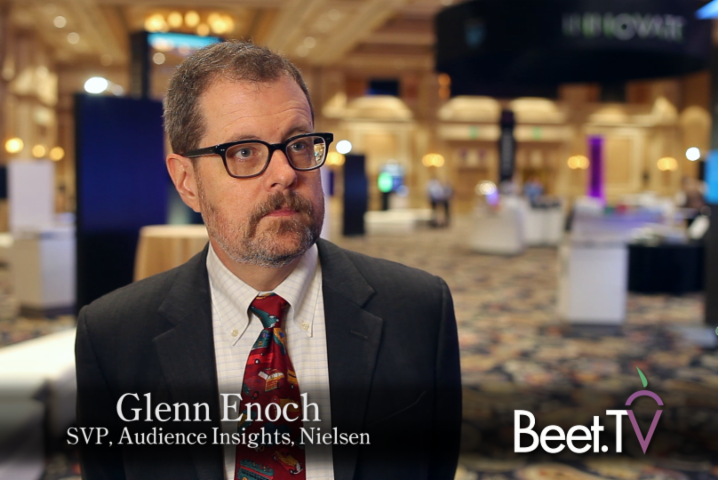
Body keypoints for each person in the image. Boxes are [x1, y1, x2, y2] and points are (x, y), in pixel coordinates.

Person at [75, 42, 461, 480]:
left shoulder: (418, 310)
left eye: (299, 144)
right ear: (187, 182)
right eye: (244, 152)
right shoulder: (113, 337)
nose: (286, 173)